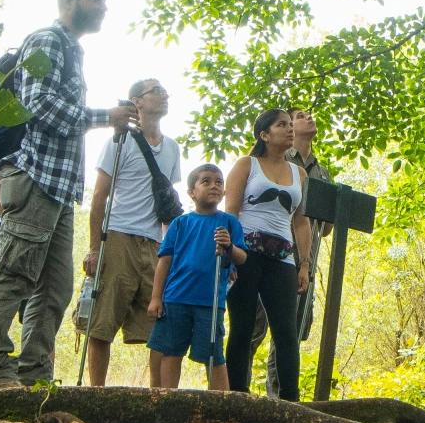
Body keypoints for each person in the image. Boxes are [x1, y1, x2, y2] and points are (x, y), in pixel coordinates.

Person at [0, 0, 136, 388]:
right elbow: (38, 106)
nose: (103, 7)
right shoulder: (47, 40)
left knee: (56, 288)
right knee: (13, 273)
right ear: (70, 1)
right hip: (34, 178)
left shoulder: (72, 49)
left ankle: (34, 375)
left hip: (60, 189)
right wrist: (105, 117)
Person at [84, 78, 182, 386]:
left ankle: (156, 398)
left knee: (156, 325)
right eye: (156, 91)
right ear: (137, 101)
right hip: (118, 236)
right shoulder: (120, 141)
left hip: (154, 243)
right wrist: (94, 248)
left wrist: (170, 250)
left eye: (164, 91)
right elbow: (100, 195)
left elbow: (167, 203)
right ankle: (96, 394)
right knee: (103, 322)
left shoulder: (172, 149)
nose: (165, 95)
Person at [224, 109, 312, 398]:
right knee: (242, 327)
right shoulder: (246, 165)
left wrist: (304, 264)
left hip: (283, 260)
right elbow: (231, 213)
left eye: (290, 125)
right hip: (246, 255)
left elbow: (300, 220)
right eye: (282, 125)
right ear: (264, 134)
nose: (289, 130)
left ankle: (290, 401)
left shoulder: (299, 173)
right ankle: (238, 396)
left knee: (286, 332)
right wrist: (231, 255)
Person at [147, 164, 246, 390]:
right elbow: (164, 261)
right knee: (171, 351)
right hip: (176, 298)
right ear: (192, 191)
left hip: (210, 302)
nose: (214, 186)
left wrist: (228, 246)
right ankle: (168, 401)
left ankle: (220, 407)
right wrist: (156, 297)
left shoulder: (229, 222)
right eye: (206, 181)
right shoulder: (180, 223)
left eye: (219, 182)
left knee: (213, 355)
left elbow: (241, 258)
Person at [259, 107, 330, 399]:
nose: (308, 119)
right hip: (267, 258)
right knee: (253, 329)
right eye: (299, 116)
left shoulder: (322, 172)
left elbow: (325, 228)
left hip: (303, 263)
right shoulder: (274, 161)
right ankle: (237, 399)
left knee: (290, 334)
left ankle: (279, 401)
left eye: (309, 115)